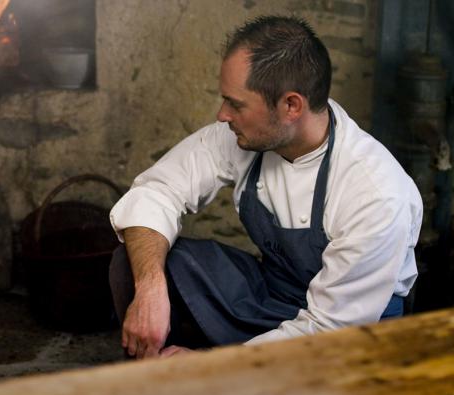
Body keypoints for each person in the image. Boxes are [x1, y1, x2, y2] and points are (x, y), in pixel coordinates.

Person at [108, 15, 423, 359]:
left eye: (236, 104)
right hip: (272, 295)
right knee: (139, 260)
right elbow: (156, 192)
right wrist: (151, 288)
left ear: (291, 105)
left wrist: (211, 365)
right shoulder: (241, 136)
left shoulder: (374, 192)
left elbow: (329, 329)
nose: (222, 114)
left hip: (347, 334)